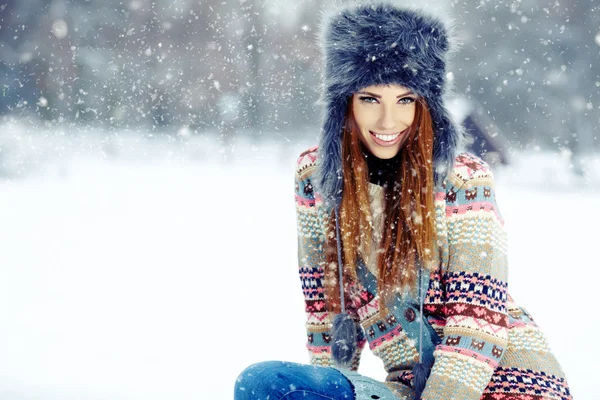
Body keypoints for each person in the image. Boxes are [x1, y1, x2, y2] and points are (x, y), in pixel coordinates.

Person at [234, 1, 572, 399]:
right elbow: (326, 313)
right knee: (266, 385)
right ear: (344, 103)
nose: (388, 122)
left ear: (426, 104)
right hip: (409, 388)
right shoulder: (318, 180)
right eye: (371, 99)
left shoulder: (463, 177)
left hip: (506, 380)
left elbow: (476, 327)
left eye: (405, 100)